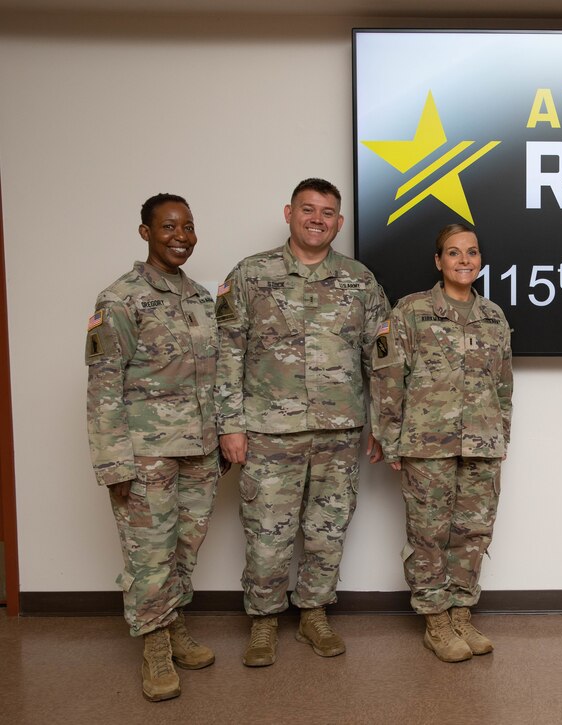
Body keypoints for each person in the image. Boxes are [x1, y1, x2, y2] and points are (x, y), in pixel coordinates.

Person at [215, 178, 390, 667]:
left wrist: (380, 422)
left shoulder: (360, 280)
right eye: (308, 209)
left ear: (339, 221)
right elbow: (227, 354)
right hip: (269, 432)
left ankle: (314, 612)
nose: (318, 218)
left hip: (339, 430)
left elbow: (380, 359)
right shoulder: (251, 275)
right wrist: (230, 425)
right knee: (267, 530)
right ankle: (265, 620)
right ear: (289, 212)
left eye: (328, 212)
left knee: (327, 529)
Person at [85, 193, 221, 701]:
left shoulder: (203, 300)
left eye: (188, 226)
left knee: (185, 547)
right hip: (146, 454)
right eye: (168, 227)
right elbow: (103, 385)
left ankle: (171, 622)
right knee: (150, 553)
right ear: (145, 232)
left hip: (200, 450)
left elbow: (218, 375)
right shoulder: (119, 299)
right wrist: (114, 461)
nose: (181, 236)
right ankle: (155, 645)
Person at [371, 223, 513, 663]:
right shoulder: (411, 311)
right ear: (439, 261)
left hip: (482, 444)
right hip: (426, 444)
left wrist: (500, 434)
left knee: (472, 533)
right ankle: (435, 620)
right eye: (454, 253)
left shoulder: (493, 316)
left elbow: (504, 385)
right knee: (429, 534)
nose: (464, 260)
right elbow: (389, 377)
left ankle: (461, 612)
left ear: (480, 261)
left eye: (472, 252)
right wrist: (390, 439)